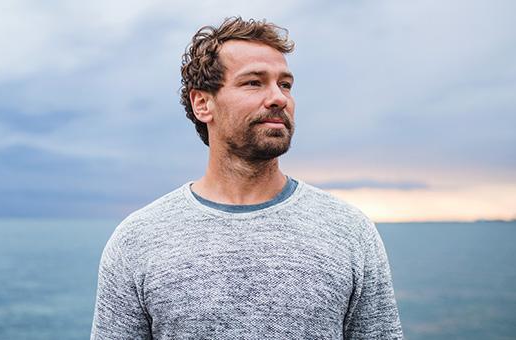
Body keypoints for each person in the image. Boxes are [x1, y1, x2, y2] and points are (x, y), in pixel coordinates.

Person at [91, 17, 403, 339]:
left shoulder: (349, 230)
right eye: (254, 82)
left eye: (285, 84)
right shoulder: (137, 240)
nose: (279, 98)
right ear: (203, 103)